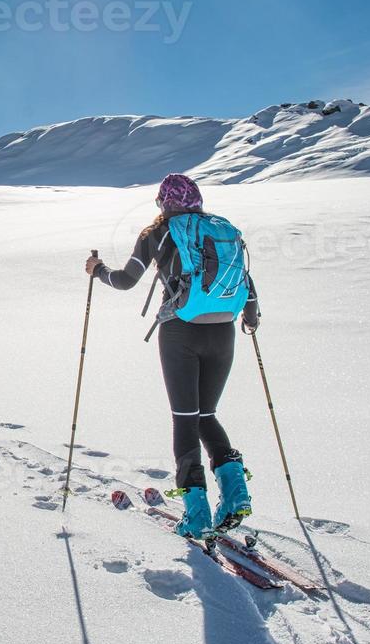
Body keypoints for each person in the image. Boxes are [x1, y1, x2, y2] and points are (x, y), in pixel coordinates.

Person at [85, 173, 261, 539]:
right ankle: (234, 495)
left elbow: (125, 280)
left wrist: (97, 271)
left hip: (181, 331)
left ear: (163, 203)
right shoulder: (220, 229)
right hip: (223, 331)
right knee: (207, 415)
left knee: (185, 419)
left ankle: (196, 513)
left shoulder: (157, 233)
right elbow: (245, 281)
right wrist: (251, 317)